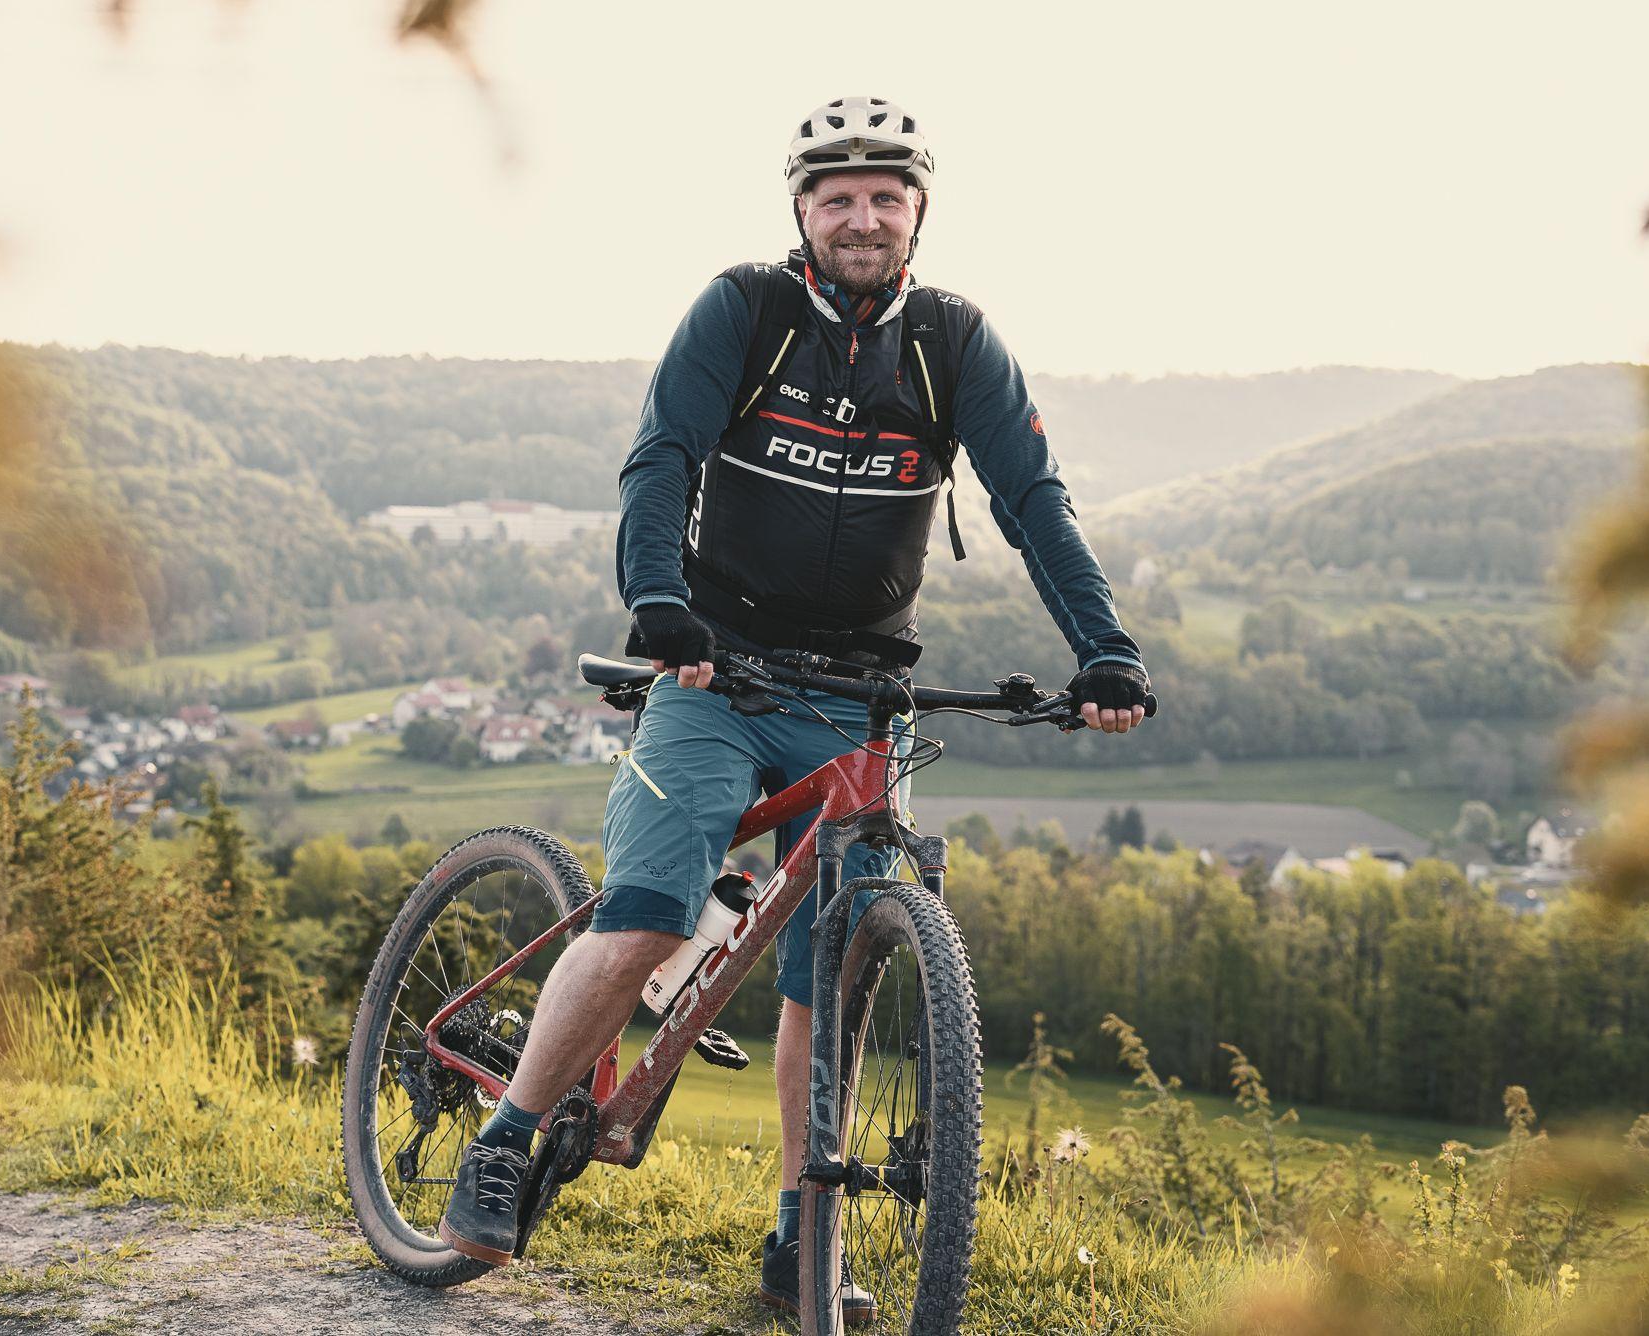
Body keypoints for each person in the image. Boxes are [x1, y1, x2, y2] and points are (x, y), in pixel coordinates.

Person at [441, 95, 1150, 1320]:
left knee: (832, 983)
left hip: (859, 692)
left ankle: (797, 1242)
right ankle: (503, 1140)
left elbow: (1032, 499)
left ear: (916, 213)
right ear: (801, 212)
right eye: (838, 196)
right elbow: (660, 455)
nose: (861, 216)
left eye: (885, 196)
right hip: (714, 672)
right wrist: (659, 600)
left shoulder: (952, 342)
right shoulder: (745, 310)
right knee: (652, 913)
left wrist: (1104, 650)